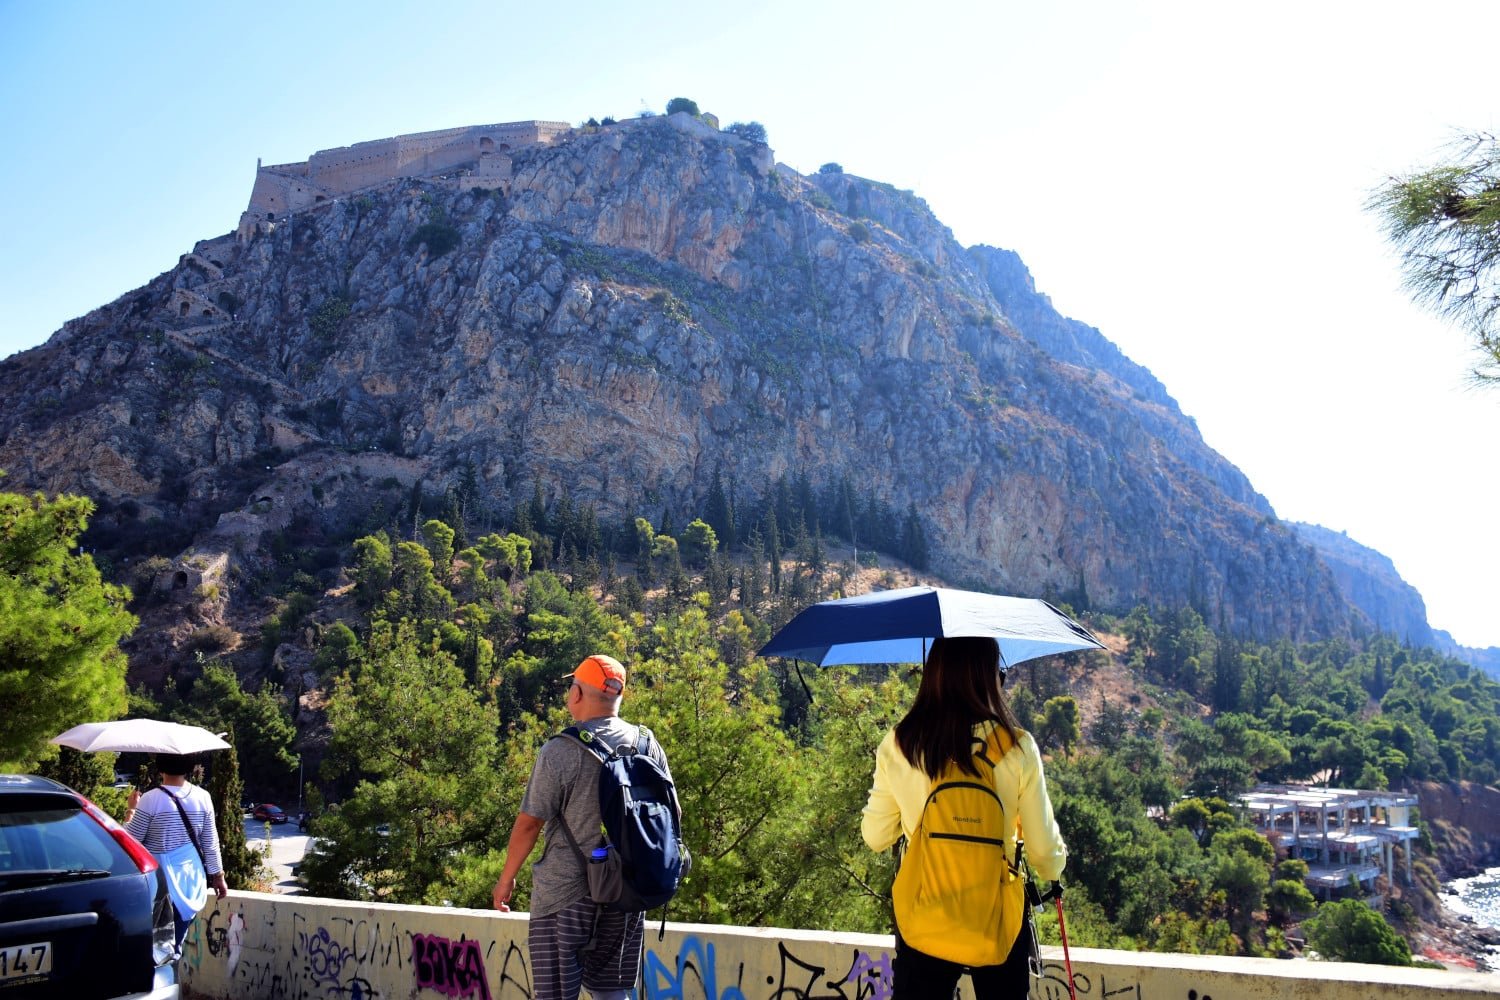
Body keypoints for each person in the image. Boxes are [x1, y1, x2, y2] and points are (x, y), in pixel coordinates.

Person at [861, 636, 1067, 999]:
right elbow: (1045, 857)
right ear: (990, 677)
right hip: (998, 917)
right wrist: (1051, 864)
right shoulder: (1018, 748)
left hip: (924, 916)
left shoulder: (900, 744)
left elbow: (875, 837)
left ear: (934, 674)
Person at [492, 654, 674, 1000]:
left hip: (565, 894)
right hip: (628, 890)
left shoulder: (560, 750)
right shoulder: (649, 746)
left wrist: (506, 880)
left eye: (571, 686)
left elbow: (529, 824)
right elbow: (669, 814)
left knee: (557, 992)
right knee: (612, 993)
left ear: (577, 694)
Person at [124, 752, 229, 950]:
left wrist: (131, 811)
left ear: (160, 767)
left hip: (159, 885)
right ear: (189, 767)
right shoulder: (203, 797)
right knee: (174, 946)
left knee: (155, 949)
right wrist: (218, 876)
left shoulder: (150, 799)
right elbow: (210, 842)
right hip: (190, 882)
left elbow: (132, 842)